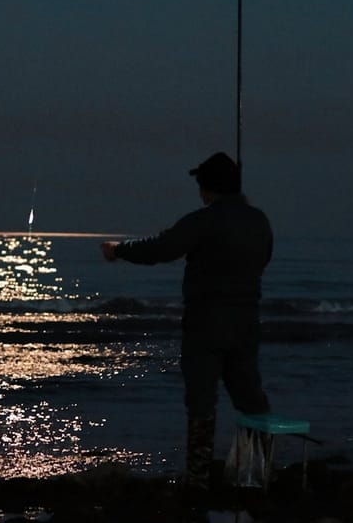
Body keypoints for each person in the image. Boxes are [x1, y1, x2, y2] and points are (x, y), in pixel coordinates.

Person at [100, 152, 272, 492]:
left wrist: (119, 249)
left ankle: (198, 478)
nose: (199, 193)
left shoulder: (203, 221)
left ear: (209, 189)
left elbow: (161, 249)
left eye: (201, 187)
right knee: (250, 398)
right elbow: (264, 258)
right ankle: (257, 471)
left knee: (201, 401)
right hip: (246, 325)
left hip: (206, 325)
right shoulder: (260, 221)